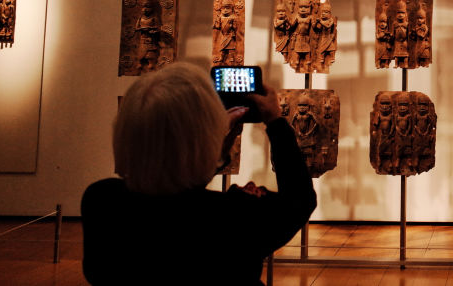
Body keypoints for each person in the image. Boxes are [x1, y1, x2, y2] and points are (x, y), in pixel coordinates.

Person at [81, 63, 316, 286]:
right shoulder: (234, 217)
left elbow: (178, 187)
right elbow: (300, 199)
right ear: (201, 141)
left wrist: (215, 146)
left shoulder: (102, 201)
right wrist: (275, 122)